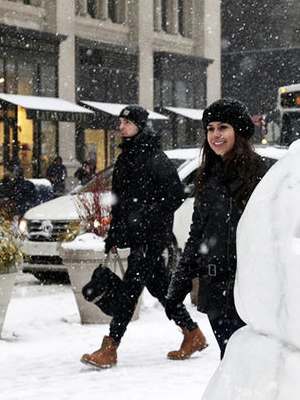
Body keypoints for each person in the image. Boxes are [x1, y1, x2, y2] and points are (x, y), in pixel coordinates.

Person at [81, 105, 204, 369]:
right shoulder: (127, 156)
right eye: (121, 122)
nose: (122, 126)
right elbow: (120, 201)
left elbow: (175, 194)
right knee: (160, 287)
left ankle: (111, 346)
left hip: (151, 237)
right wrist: (115, 231)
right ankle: (192, 333)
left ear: (140, 125)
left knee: (129, 290)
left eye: (127, 122)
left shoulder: (154, 157)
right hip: (136, 235)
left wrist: (147, 215)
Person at [166, 98, 266, 358]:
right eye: (210, 128)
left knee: (248, 363)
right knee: (229, 361)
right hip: (216, 291)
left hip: (250, 289)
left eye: (223, 127)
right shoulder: (206, 176)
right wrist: (181, 281)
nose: (215, 135)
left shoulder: (261, 173)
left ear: (239, 131)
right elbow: (197, 233)